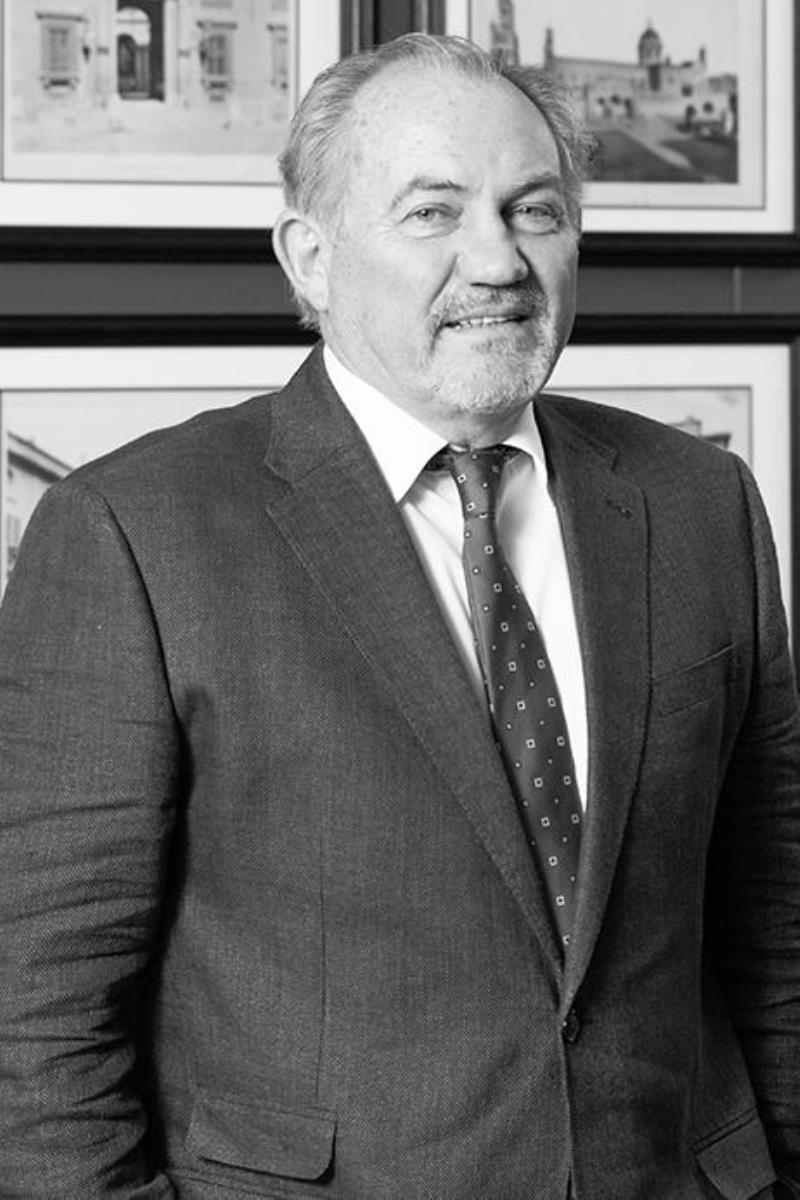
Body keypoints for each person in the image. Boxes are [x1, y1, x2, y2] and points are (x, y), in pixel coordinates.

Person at [0, 32, 798, 1200]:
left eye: (534, 210)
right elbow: (35, 1015)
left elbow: (772, 921)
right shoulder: (134, 530)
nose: (498, 260)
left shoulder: (697, 501)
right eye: (433, 212)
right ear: (310, 259)